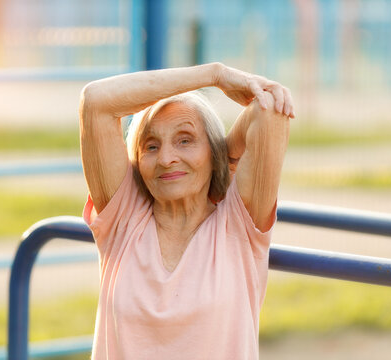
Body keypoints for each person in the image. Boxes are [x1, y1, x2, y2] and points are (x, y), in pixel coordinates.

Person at [79, 62, 294, 360]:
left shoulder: (236, 226)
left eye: (185, 140)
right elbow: (95, 101)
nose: (167, 158)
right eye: (151, 147)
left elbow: (269, 110)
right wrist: (214, 75)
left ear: (213, 151)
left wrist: (225, 161)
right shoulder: (123, 218)